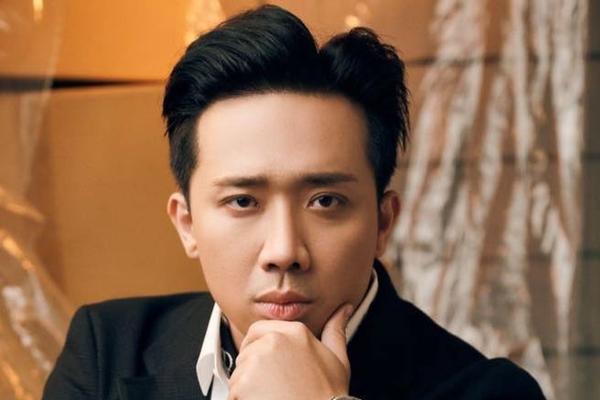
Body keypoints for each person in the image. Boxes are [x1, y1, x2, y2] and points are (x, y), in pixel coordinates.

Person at [42, 4, 545, 400]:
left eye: (325, 201)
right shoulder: (108, 351)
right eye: (243, 201)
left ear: (383, 222)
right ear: (187, 224)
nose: (284, 251)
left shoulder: (489, 391)